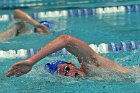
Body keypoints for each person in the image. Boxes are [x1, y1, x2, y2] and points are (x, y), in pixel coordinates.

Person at [6, 35, 132, 78]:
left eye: (66, 70)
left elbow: (66, 40)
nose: (69, 75)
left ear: (72, 64)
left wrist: (31, 61)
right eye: (64, 76)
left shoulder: (91, 65)